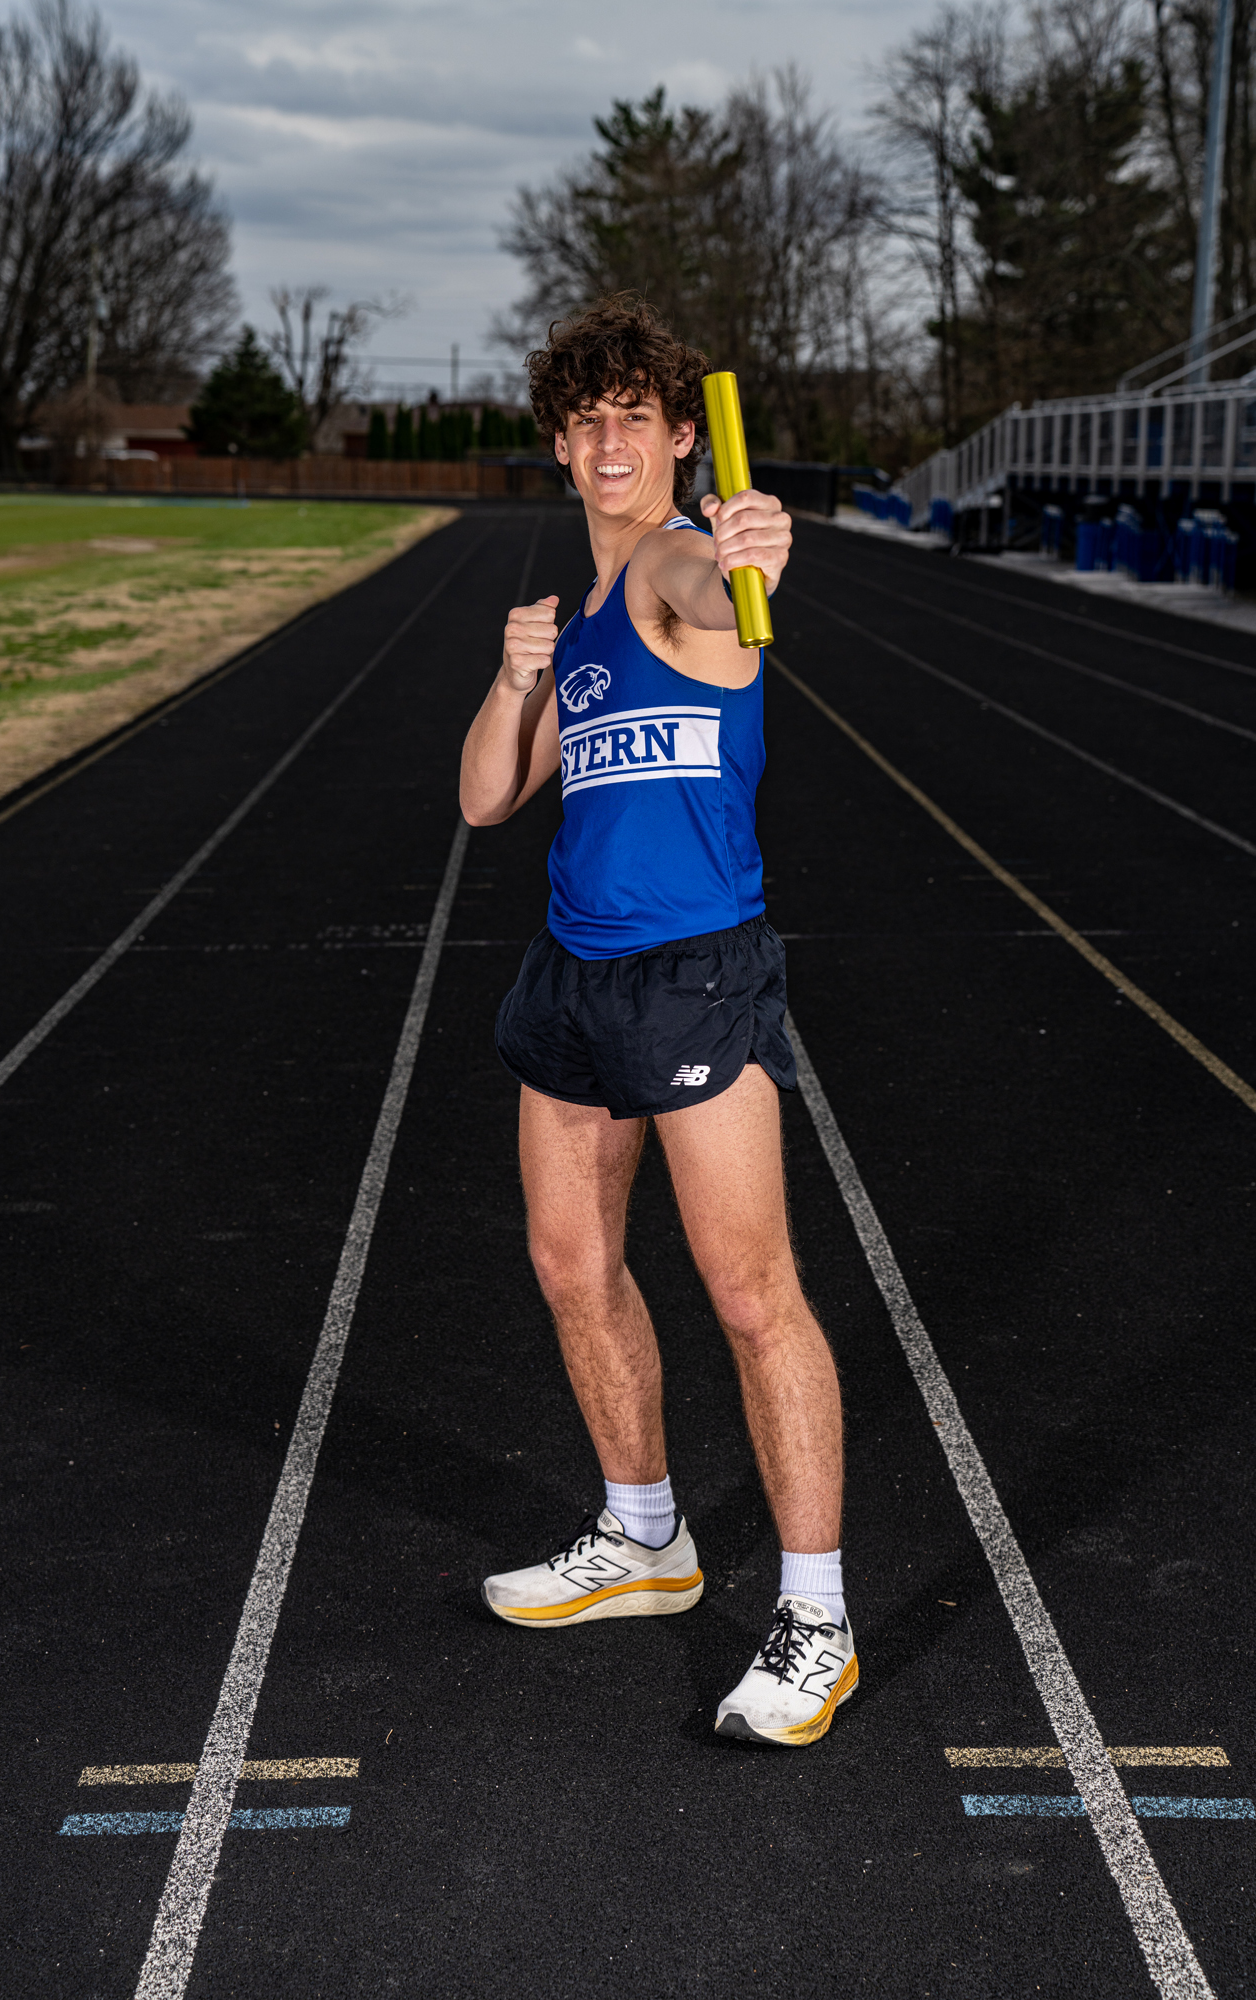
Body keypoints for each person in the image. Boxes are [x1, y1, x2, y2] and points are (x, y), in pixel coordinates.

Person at [458, 298, 854, 1747]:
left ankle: (816, 1619)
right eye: (586, 420)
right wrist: (516, 676)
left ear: (683, 438)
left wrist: (753, 551)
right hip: (571, 971)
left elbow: (718, 585)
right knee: (571, 1265)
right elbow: (484, 797)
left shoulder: (683, 569)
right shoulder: (575, 627)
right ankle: (643, 1537)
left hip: (696, 972)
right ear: (562, 450)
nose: (609, 438)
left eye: (635, 414)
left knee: (752, 1296)